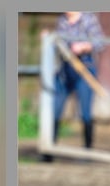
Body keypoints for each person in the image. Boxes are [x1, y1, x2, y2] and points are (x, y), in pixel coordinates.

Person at [45, 12, 104, 161]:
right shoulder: (62, 21)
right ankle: (48, 151)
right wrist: (48, 39)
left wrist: (84, 46)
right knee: (54, 109)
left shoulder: (88, 19)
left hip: (84, 69)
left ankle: (87, 152)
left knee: (85, 112)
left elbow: (100, 42)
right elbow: (58, 43)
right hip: (65, 70)